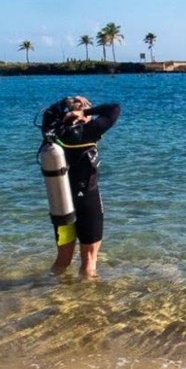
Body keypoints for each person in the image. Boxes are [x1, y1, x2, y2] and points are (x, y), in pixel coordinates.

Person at [40, 96, 121, 277]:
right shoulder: (90, 130)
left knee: (62, 260)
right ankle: (88, 302)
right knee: (89, 260)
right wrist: (86, 112)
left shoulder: (53, 134)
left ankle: (54, 293)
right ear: (82, 116)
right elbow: (114, 108)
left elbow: (49, 114)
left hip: (61, 205)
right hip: (87, 201)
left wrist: (66, 102)